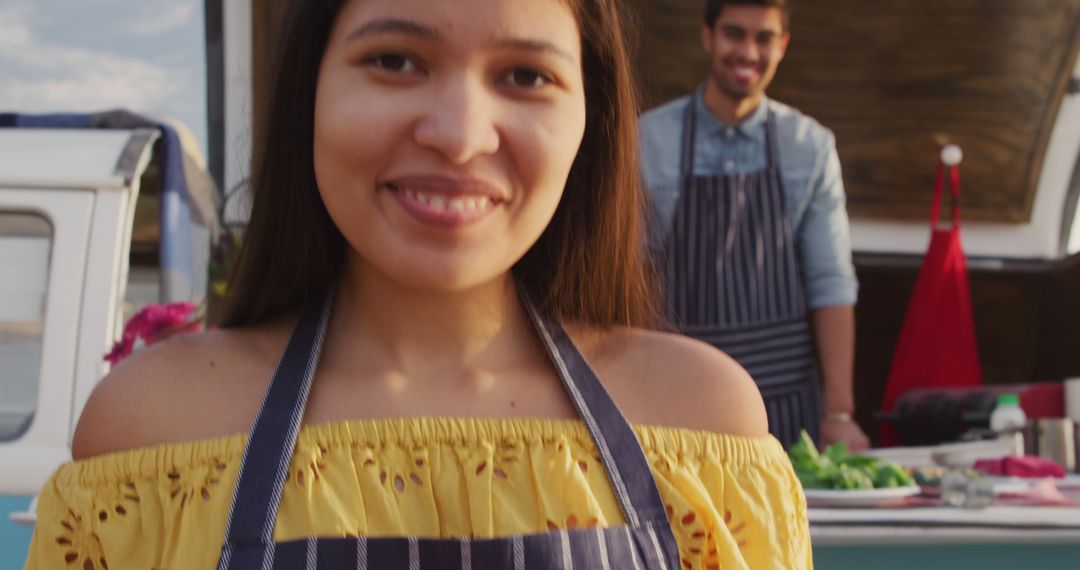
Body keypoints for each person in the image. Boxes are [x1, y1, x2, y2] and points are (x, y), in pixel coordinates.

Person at [25, 0, 811, 568]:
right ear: (310, 93)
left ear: (591, 120)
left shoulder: (706, 432)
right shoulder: (149, 436)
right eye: (394, 60)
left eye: (526, 74)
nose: (461, 136)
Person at [639, 0, 869, 450]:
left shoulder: (811, 147)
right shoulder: (649, 140)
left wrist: (839, 413)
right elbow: (629, 277)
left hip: (784, 410)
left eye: (763, 38)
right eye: (734, 34)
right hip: (679, 402)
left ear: (783, 45)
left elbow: (831, 283)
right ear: (708, 37)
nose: (747, 52)